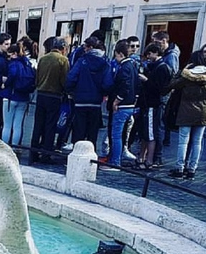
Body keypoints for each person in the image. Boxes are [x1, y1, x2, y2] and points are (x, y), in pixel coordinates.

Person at [168, 60, 206, 180]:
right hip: (203, 111)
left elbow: (172, 84)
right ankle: (192, 169)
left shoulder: (187, 76)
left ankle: (180, 168)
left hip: (186, 110)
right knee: (197, 142)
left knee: (183, 142)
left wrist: (182, 71)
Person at [65, 37, 114, 149]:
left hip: (80, 101)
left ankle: (77, 154)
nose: (84, 49)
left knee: (79, 130)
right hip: (96, 102)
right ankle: (90, 155)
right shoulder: (105, 62)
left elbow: (71, 78)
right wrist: (103, 93)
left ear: (90, 47)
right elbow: (107, 83)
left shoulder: (82, 61)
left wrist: (71, 91)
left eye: (85, 47)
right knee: (93, 132)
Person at [31, 37, 70, 163]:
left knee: (38, 124)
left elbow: (36, 79)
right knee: (50, 125)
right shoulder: (63, 60)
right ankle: (46, 154)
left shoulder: (43, 58)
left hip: (41, 94)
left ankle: (34, 152)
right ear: (63, 48)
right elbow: (64, 80)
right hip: (54, 95)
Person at [135, 44, 172, 169]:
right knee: (146, 132)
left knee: (151, 133)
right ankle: (142, 156)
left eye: (150, 54)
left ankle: (149, 160)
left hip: (153, 104)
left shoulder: (162, 68)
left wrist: (146, 80)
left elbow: (159, 88)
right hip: (148, 103)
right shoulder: (155, 67)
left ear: (155, 53)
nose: (148, 57)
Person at [104, 40, 140, 170]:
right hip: (130, 105)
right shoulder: (133, 66)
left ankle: (115, 162)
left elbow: (125, 86)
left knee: (116, 135)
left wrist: (116, 100)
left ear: (119, 53)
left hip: (122, 105)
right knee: (119, 134)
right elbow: (136, 86)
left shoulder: (124, 67)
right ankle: (114, 159)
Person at [1, 43, 35, 146]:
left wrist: (5, 84)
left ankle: (4, 147)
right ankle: (15, 147)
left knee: (7, 125)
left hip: (10, 96)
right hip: (23, 97)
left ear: (15, 53)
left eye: (10, 55)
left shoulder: (13, 64)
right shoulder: (28, 63)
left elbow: (12, 75)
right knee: (18, 125)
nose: (9, 57)